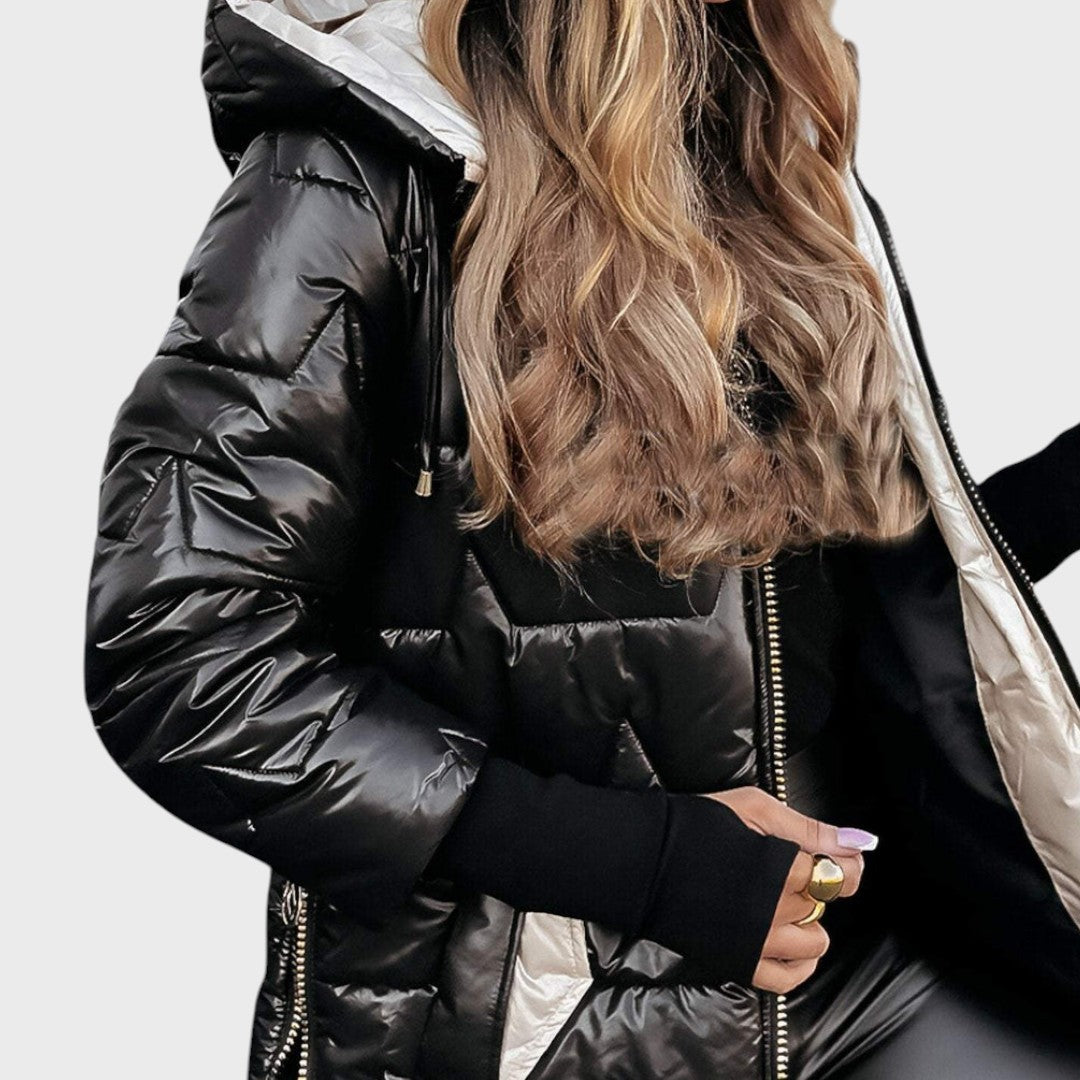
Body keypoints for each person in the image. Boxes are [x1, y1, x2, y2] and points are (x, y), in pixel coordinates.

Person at [83, 1, 1080, 1077]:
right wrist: (643, 866)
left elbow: (792, 598)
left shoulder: (758, 138)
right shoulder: (353, 176)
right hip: (556, 1015)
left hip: (866, 966)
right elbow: (179, 653)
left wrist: (1062, 491)